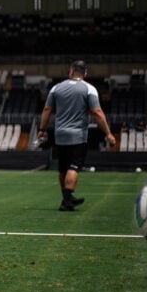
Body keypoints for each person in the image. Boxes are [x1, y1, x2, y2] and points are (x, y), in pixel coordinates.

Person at [37, 60, 116, 212]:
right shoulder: (89, 89)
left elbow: (47, 109)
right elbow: (97, 113)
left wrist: (42, 129)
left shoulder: (56, 88)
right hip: (78, 136)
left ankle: (67, 198)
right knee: (74, 167)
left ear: (71, 72)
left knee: (62, 169)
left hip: (60, 135)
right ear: (85, 74)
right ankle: (67, 202)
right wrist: (108, 133)